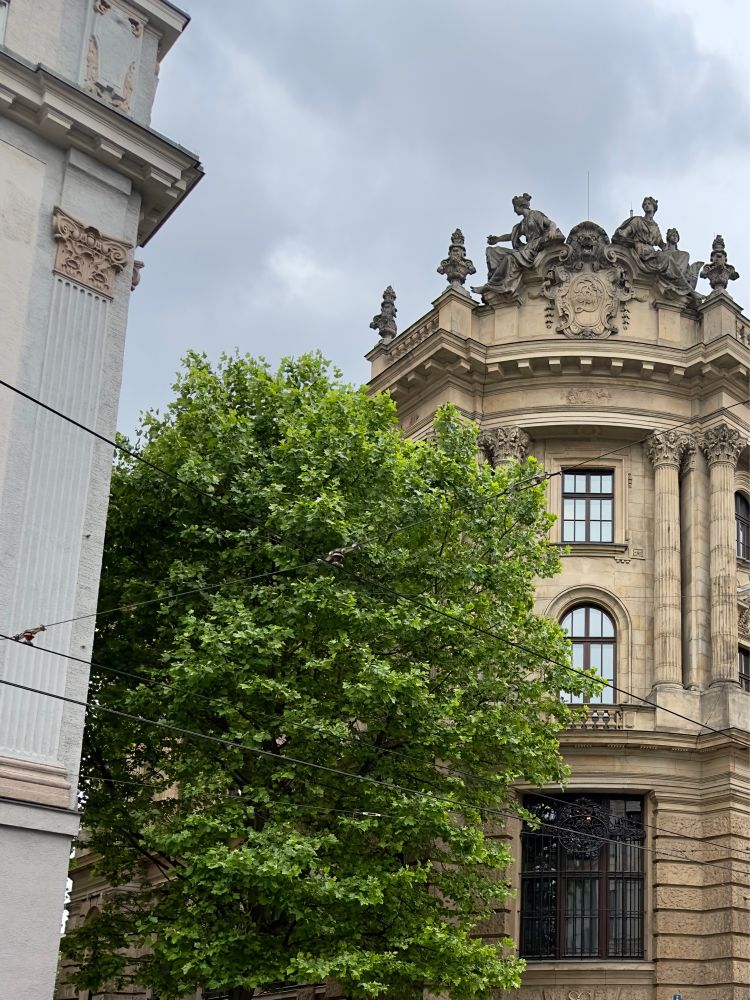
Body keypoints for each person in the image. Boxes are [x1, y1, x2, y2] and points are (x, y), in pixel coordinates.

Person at [472, 192, 564, 298]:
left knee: (510, 258)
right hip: (526, 248)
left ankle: (493, 286)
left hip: (536, 247)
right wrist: (498, 239)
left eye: (514, 207)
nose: (514, 210)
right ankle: (494, 282)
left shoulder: (535, 214)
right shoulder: (522, 223)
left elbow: (551, 223)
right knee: (493, 251)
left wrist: (552, 230)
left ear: (520, 206)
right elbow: (511, 235)